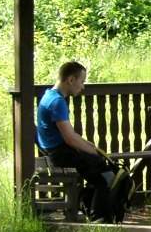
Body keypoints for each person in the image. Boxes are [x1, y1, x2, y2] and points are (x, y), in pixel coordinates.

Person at [36, 61, 132, 222]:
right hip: (60, 154)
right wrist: (93, 151)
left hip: (54, 150)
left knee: (101, 169)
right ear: (71, 80)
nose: (83, 87)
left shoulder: (49, 96)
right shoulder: (57, 102)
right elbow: (70, 138)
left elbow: (71, 136)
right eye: (82, 81)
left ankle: (91, 208)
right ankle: (99, 219)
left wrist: (90, 146)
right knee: (106, 176)